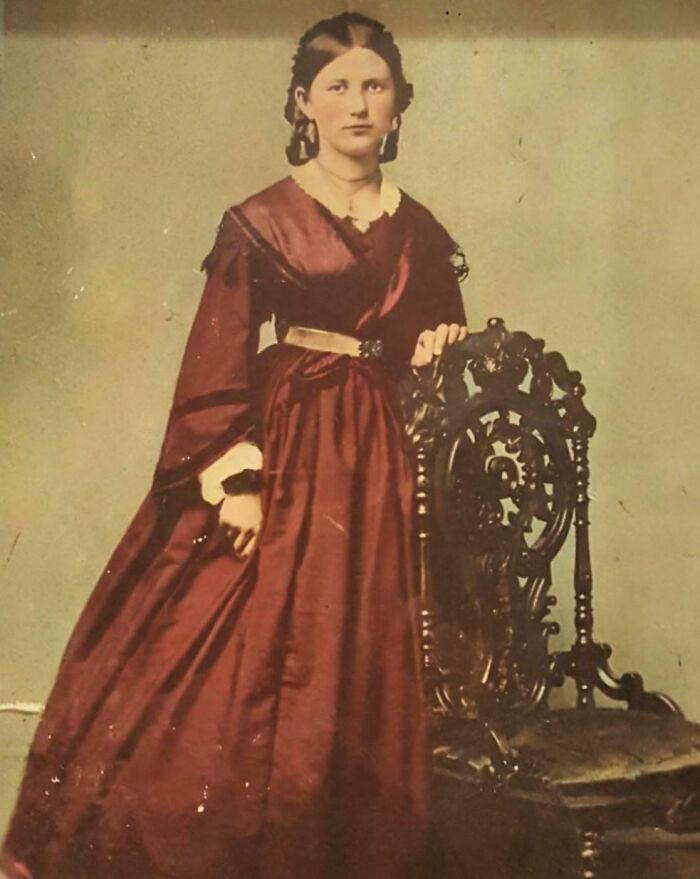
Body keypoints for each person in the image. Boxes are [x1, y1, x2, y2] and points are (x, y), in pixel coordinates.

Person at [0, 12, 468, 879]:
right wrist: (237, 478)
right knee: (233, 668)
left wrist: (440, 345)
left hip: (379, 463)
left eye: (374, 86)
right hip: (286, 445)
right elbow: (216, 359)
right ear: (303, 103)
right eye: (337, 88)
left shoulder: (422, 229)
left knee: (361, 660)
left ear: (400, 105)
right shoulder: (263, 220)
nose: (357, 105)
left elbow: (437, 341)